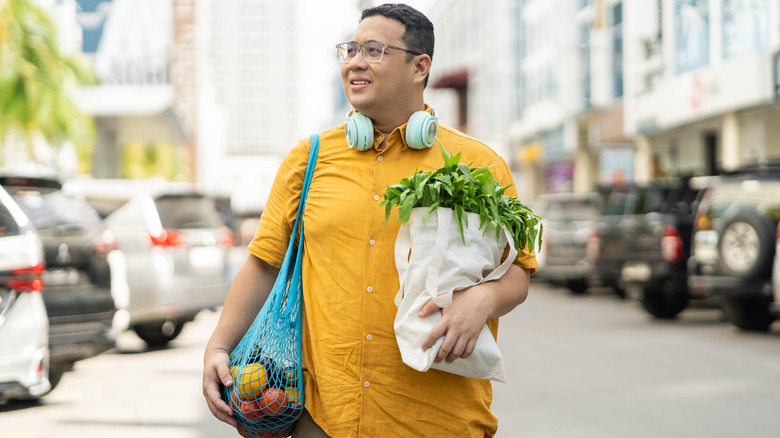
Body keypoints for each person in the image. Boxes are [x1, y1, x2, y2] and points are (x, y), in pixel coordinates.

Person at [202, 4, 538, 437]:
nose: (355, 62)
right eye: (350, 49)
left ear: (420, 67)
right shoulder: (309, 160)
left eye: (374, 50)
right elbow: (265, 262)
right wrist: (219, 345)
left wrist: (483, 300)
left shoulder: (478, 164)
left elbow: (518, 273)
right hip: (325, 418)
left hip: (437, 421)